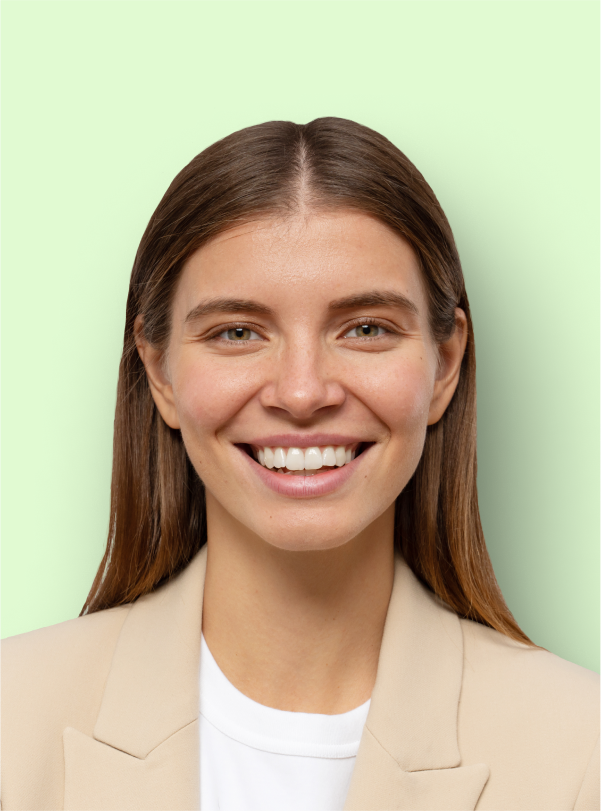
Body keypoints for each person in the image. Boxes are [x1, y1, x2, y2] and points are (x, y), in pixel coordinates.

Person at [0, 118, 599, 811]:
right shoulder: (13, 723)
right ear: (159, 369)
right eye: (237, 332)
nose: (302, 391)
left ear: (446, 364)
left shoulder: (579, 749)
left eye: (366, 328)